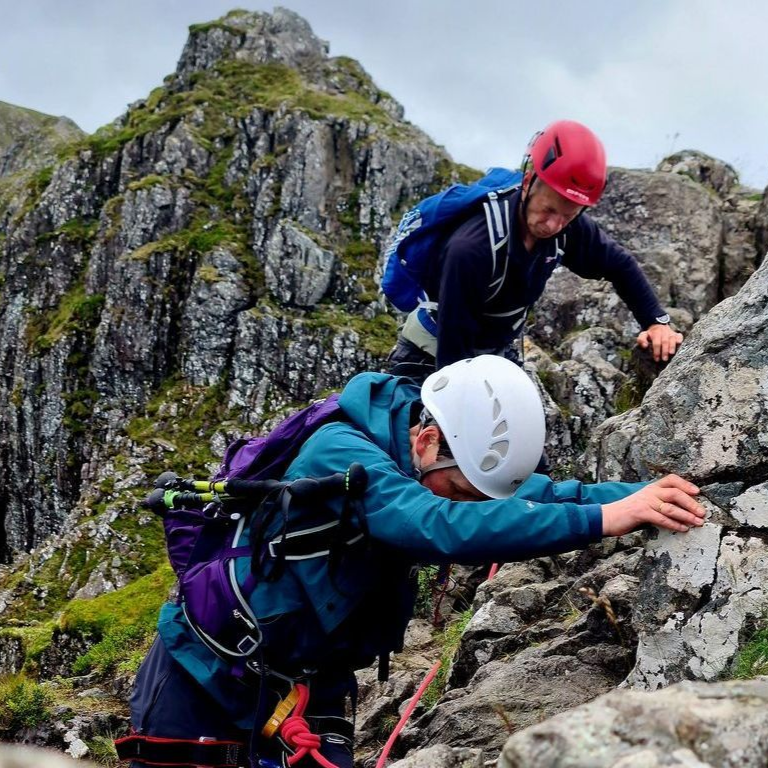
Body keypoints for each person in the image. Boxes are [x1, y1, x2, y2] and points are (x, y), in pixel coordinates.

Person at [122, 356, 703, 768]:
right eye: (463, 490)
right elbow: (437, 524)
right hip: (203, 681)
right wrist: (603, 521)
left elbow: (537, 495)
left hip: (306, 684)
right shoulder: (341, 453)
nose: (468, 504)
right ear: (426, 441)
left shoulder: (428, 454)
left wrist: (636, 497)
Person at [387, 120, 684, 382]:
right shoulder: (473, 248)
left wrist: (656, 323)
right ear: (528, 182)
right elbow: (453, 355)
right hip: (430, 357)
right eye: (548, 209)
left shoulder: (567, 228)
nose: (554, 225)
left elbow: (620, 265)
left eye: (568, 215)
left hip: (492, 355)